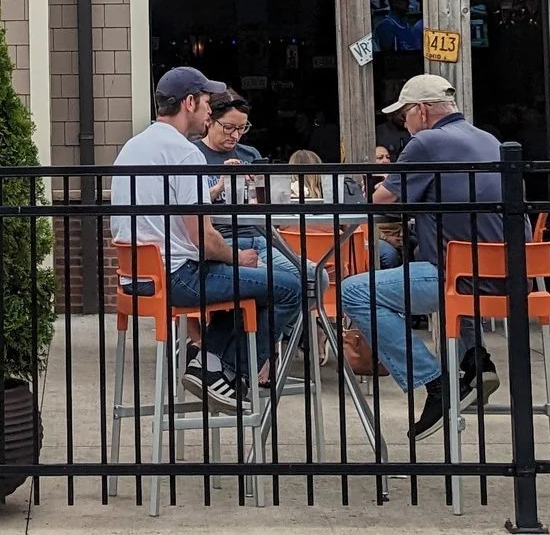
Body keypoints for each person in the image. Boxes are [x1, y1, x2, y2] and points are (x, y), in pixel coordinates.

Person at [111, 66, 303, 412]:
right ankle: (230, 372)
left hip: (136, 279)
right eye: (205, 102)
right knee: (291, 286)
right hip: (178, 278)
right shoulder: (185, 153)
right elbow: (203, 236)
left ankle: (210, 365)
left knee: (245, 286)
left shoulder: (133, 147)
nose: (209, 110)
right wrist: (236, 256)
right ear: (189, 102)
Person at [333, 74, 505, 441]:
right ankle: (475, 362)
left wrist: (357, 193)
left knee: (354, 292)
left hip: (459, 276)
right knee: (446, 277)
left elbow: (383, 200)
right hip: (511, 273)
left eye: (404, 115)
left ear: (422, 111)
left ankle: (435, 383)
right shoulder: (487, 139)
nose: (403, 124)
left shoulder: (427, 142)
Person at [197, 93, 270, 252]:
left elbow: (265, 205)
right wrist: (220, 186)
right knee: (270, 275)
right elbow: (187, 208)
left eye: (242, 128)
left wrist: (257, 189)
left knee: (317, 275)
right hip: (221, 240)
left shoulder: (250, 155)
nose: (236, 135)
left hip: (259, 236)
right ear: (209, 121)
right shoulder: (192, 155)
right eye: (228, 128)